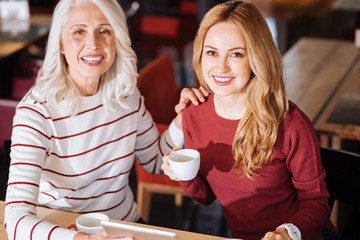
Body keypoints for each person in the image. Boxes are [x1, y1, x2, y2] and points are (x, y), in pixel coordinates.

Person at [4, 0, 186, 239]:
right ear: (60, 42)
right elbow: (15, 219)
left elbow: (154, 160)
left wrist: (184, 119)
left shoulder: (126, 93)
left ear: (116, 39)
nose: (93, 44)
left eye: (104, 30)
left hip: (125, 226)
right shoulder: (37, 112)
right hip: (66, 232)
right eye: (79, 31)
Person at [162, 1, 336, 240]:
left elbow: (316, 201)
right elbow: (205, 197)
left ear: (256, 57)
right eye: (212, 52)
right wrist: (184, 174)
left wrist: (287, 233)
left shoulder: (290, 123)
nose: (220, 67)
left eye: (236, 54)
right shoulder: (193, 115)